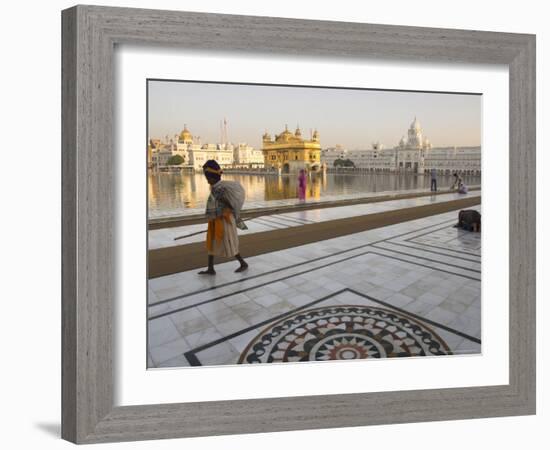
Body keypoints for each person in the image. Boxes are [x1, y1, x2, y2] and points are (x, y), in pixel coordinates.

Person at [199, 160, 248, 275]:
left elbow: (229, 204)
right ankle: (211, 268)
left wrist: (224, 210)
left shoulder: (219, 188)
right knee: (211, 242)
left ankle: (243, 263)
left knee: (229, 242)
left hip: (224, 220)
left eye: (208, 178)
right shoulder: (216, 186)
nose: (207, 181)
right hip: (216, 219)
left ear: (213, 177)